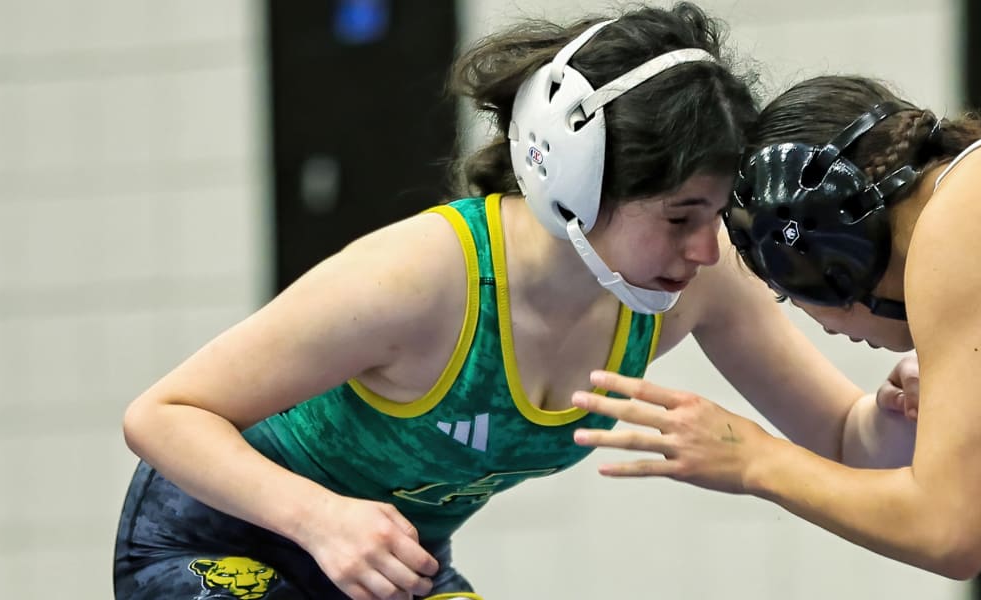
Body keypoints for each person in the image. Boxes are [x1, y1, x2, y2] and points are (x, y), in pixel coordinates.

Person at [114, 8, 916, 599]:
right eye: (680, 219)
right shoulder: (421, 278)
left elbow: (846, 443)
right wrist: (318, 519)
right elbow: (164, 414)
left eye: (716, 217)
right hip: (215, 544)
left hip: (386, 570)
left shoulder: (692, 288)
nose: (707, 252)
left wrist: (894, 412)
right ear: (576, 185)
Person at [571, 74, 981, 580]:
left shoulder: (956, 229)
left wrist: (753, 459)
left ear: (829, 254)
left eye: (792, 285)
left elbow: (952, 533)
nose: (821, 323)